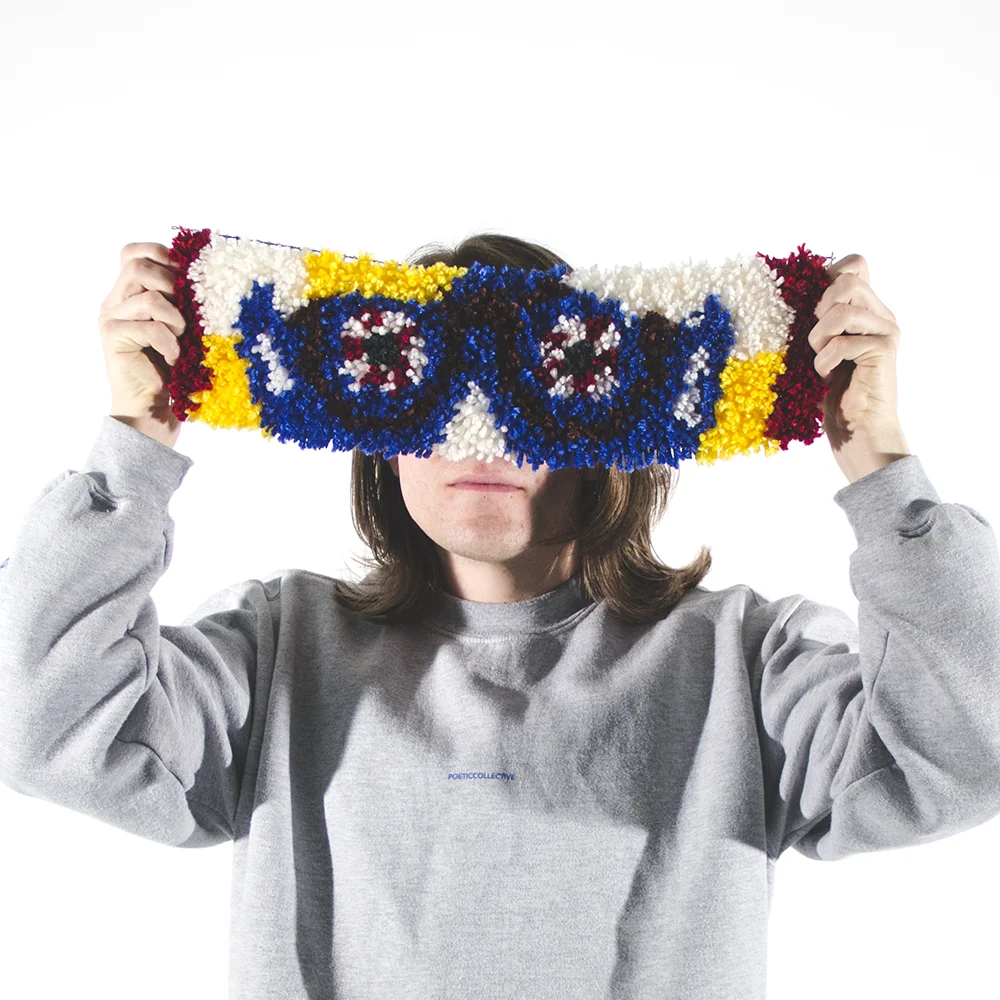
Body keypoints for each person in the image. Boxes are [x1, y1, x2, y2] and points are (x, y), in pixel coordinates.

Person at [1, 237, 998, 1000]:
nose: (480, 429)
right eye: (421, 377)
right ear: (371, 428)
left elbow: (964, 755)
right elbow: (39, 724)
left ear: (618, 419)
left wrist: (882, 466)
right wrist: (131, 446)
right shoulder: (277, 650)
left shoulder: (744, 660)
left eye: (542, 378)